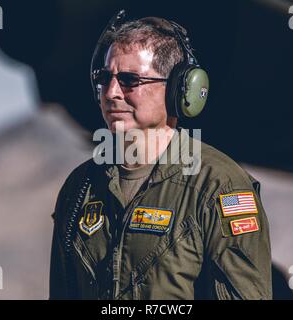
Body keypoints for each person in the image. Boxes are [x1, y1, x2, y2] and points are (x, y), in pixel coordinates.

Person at [49, 13, 272, 300]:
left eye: (130, 80)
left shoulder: (218, 186)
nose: (112, 93)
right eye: (104, 78)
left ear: (178, 89)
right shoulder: (80, 187)